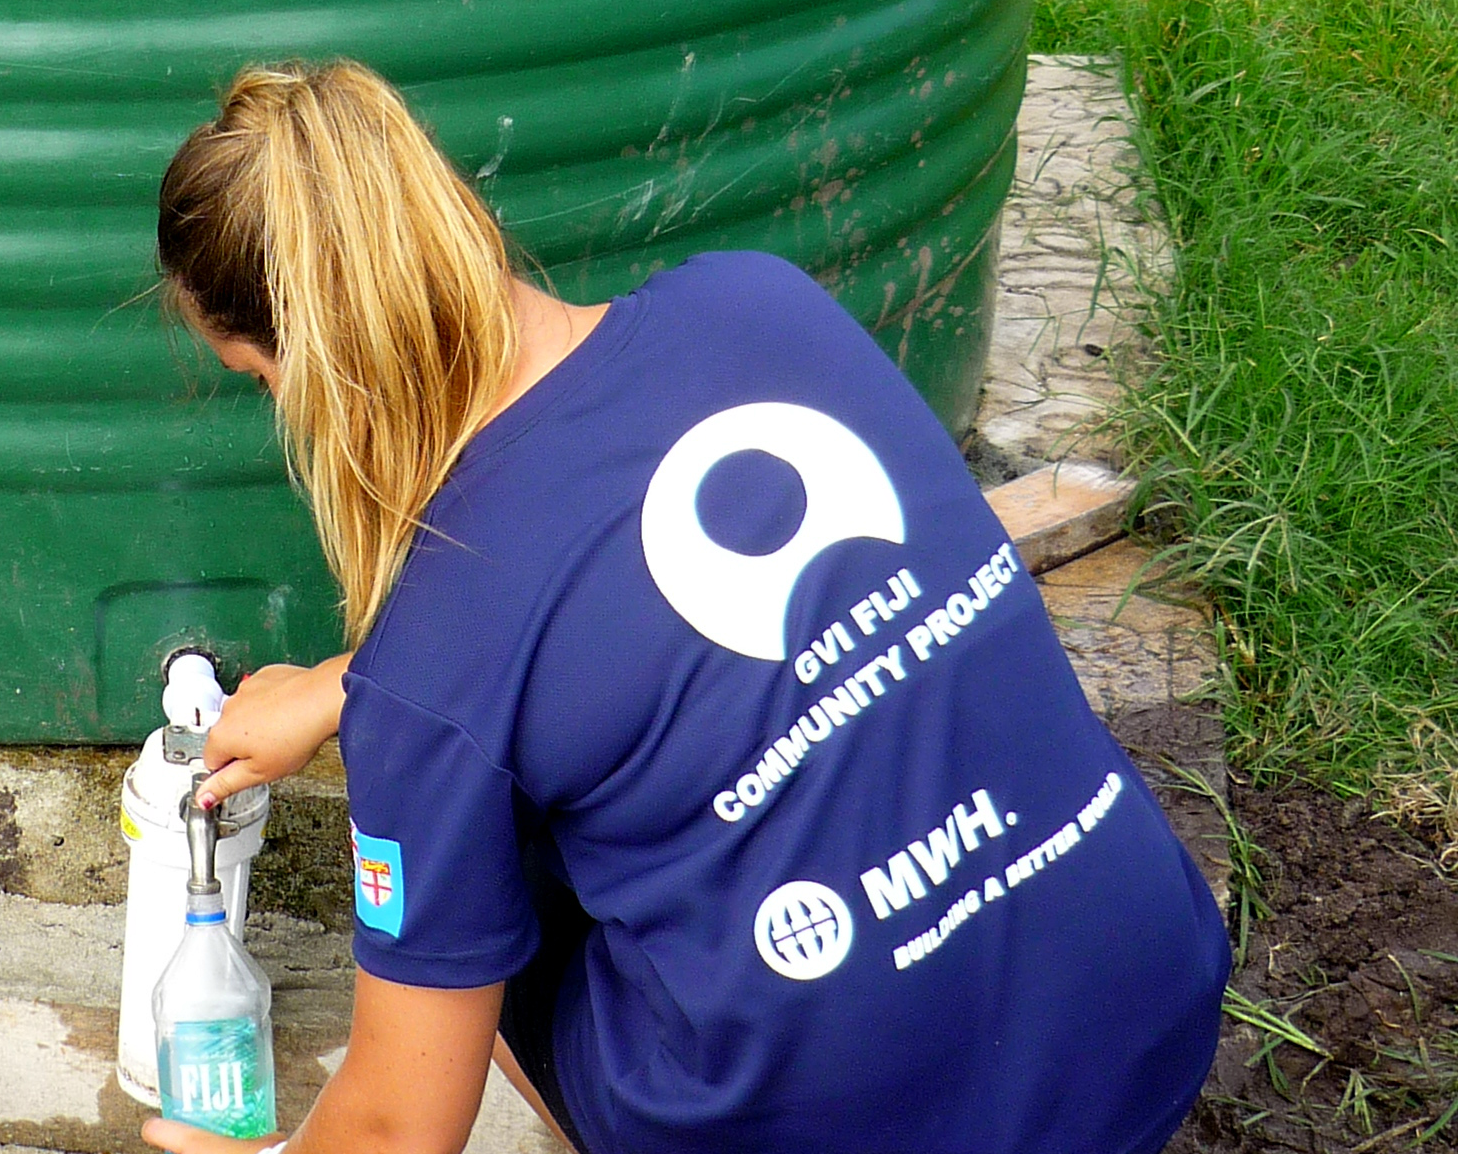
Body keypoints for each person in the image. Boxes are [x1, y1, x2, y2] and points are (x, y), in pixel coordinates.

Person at [139, 59, 1228, 1154]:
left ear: (320, 368)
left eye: (260, 377)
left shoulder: (436, 659)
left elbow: (394, 1127)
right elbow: (636, 603)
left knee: (480, 873)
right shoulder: (758, 302)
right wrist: (351, 686)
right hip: (1139, 1013)